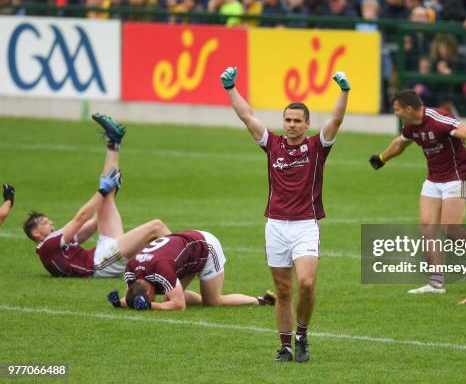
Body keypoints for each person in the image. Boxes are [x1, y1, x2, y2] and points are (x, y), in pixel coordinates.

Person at [220, 66, 350, 362]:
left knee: (306, 283)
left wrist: (344, 91)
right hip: (275, 226)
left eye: (297, 121)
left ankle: (302, 334)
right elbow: (247, 116)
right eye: (287, 120)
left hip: (306, 226)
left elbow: (337, 119)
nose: (291, 125)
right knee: (282, 290)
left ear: (306, 124)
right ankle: (286, 346)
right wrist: (230, 88)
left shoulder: (318, 147)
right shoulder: (272, 145)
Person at [369, 90, 466, 293]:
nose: (395, 113)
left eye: (396, 109)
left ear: (409, 109)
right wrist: (383, 158)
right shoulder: (410, 126)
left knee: (451, 230)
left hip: (457, 178)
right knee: (427, 228)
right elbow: (400, 143)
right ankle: (436, 283)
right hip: (433, 179)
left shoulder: (439, 120)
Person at [23, 114, 171, 278]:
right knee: (155, 226)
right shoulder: (48, 246)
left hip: (101, 252)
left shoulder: (57, 243)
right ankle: (185, 256)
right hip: (99, 264)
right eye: (44, 222)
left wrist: (110, 192)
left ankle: (114, 141)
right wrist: (101, 191)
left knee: (107, 197)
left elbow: (91, 225)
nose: (50, 221)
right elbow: (80, 218)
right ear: (36, 233)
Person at [107, 230, 277, 310]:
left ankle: (261, 300)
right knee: (169, 296)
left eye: (150, 297)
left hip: (206, 248)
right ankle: (204, 293)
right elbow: (133, 294)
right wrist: (120, 303)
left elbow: (179, 305)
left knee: (213, 302)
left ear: (150, 290)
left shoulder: (161, 270)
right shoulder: (130, 271)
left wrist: (151, 306)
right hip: (187, 253)